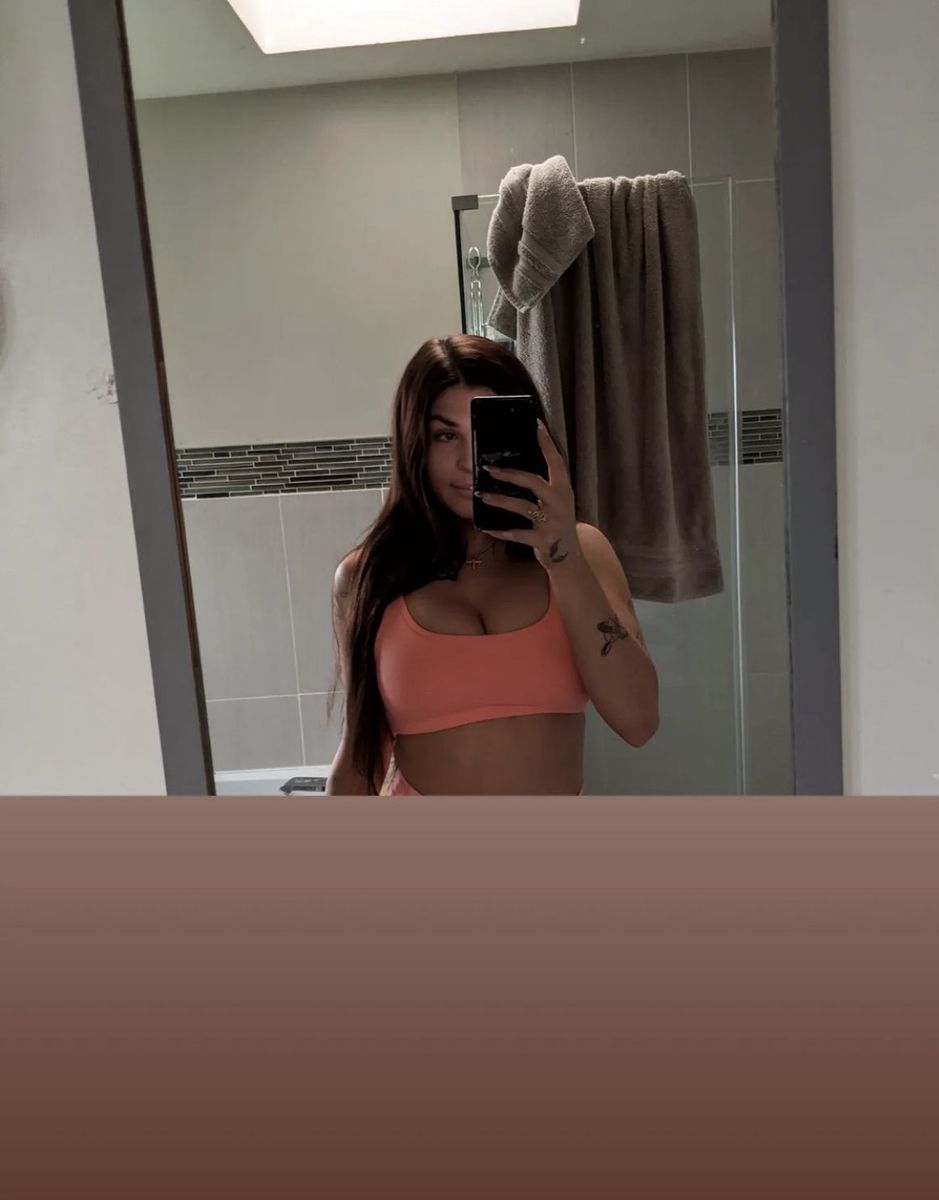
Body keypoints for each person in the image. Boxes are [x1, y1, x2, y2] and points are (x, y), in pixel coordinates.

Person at [326, 334, 659, 796]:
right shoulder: (367, 576)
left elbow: (639, 721)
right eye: (446, 435)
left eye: (485, 436)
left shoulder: (582, 551)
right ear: (415, 445)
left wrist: (561, 556)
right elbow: (360, 756)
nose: (468, 462)